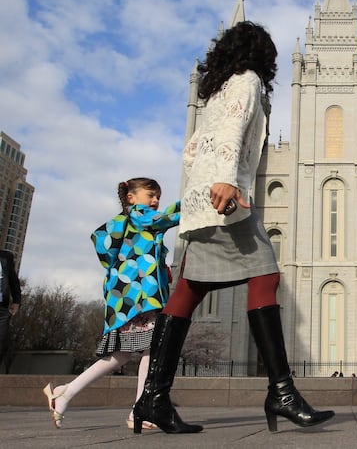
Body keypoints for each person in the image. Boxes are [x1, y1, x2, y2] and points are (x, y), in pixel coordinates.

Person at [132, 21, 333, 434]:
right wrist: (225, 177)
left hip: (202, 200)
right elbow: (234, 128)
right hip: (224, 199)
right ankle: (281, 392)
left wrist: (205, 182)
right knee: (265, 273)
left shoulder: (218, 88)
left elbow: (191, 151)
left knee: (189, 289)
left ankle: (152, 398)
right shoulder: (248, 80)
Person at [43, 178, 179, 429]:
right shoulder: (140, 216)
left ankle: (65, 393)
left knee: (123, 355)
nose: (155, 200)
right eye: (150, 194)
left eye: (158, 195)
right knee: (152, 349)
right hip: (139, 297)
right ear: (131, 198)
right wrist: (196, 201)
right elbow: (167, 218)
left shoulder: (135, 223)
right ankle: (140, 410)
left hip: (131, 298)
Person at [0, 249, 22, 374]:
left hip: (2, 308)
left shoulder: (6, 257)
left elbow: (13, 281)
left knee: (1, 341)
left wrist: (16, 301)